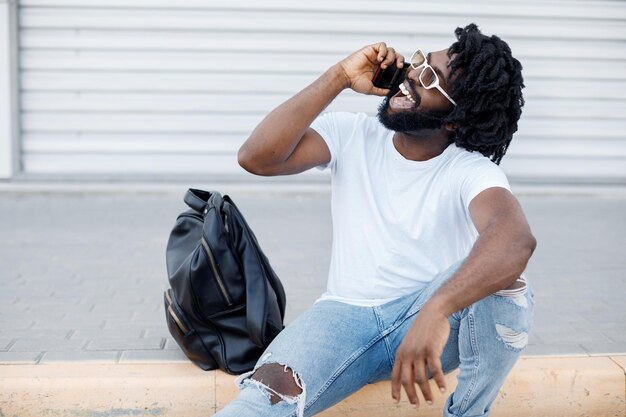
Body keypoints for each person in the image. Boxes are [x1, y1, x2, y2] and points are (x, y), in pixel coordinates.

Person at [216, 23, 536, 417]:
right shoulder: (353, 134)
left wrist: (435, 311)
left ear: (455, 119)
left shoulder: (469, 170)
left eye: (431, 77)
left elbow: (515, 241)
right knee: (265, 396)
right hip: (341, 320)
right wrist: (340, 77)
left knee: (509, 281)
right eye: (420, 61)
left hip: (428, 324)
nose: (412, 75)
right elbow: (257, 157)